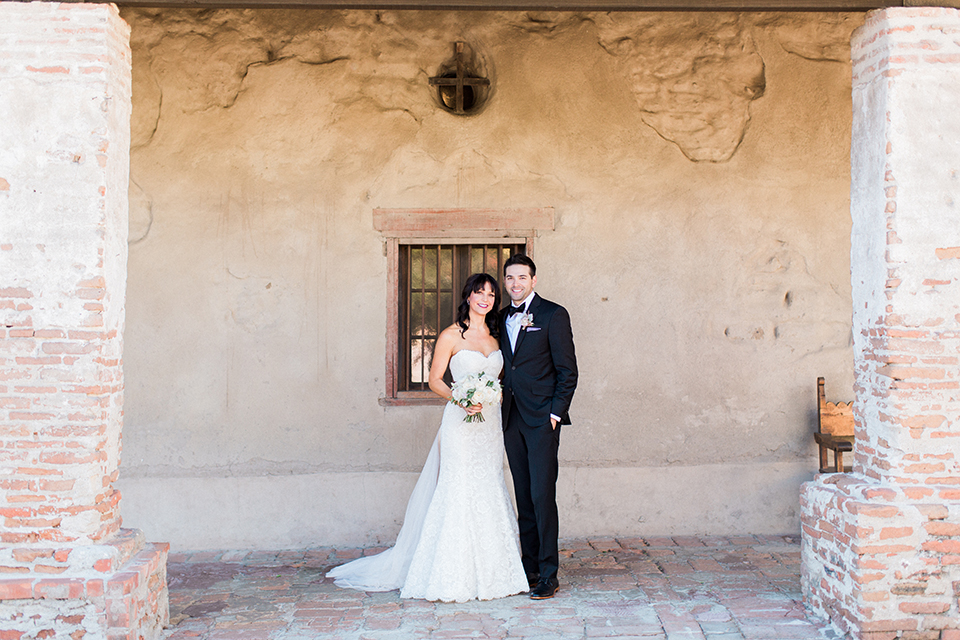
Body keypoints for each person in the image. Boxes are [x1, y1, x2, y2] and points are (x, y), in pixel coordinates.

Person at [327, 273, 528, 603]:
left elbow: (501, 378)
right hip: (460, 424)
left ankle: (496, 573)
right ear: (467, 296)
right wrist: (460, 398)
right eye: (479, 292)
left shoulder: (496, 338)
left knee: (488, 486)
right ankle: (452, 574)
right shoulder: (451, 335)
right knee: (458, 488)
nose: (486, 299)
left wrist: (494, 395)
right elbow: (435, 379)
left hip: (488, 427)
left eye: (491, 294)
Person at [500, 254, 578, 600]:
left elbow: (568, 371)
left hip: (542, 419)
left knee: (542, 495)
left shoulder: (553, 314)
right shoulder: (501, 317)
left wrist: (555, 413)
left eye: (522, 277)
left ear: (533, 280)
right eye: (510, 278)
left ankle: (549, 573)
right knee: (523, 495)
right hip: (511, 418)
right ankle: (529, 568)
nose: (516, 284)